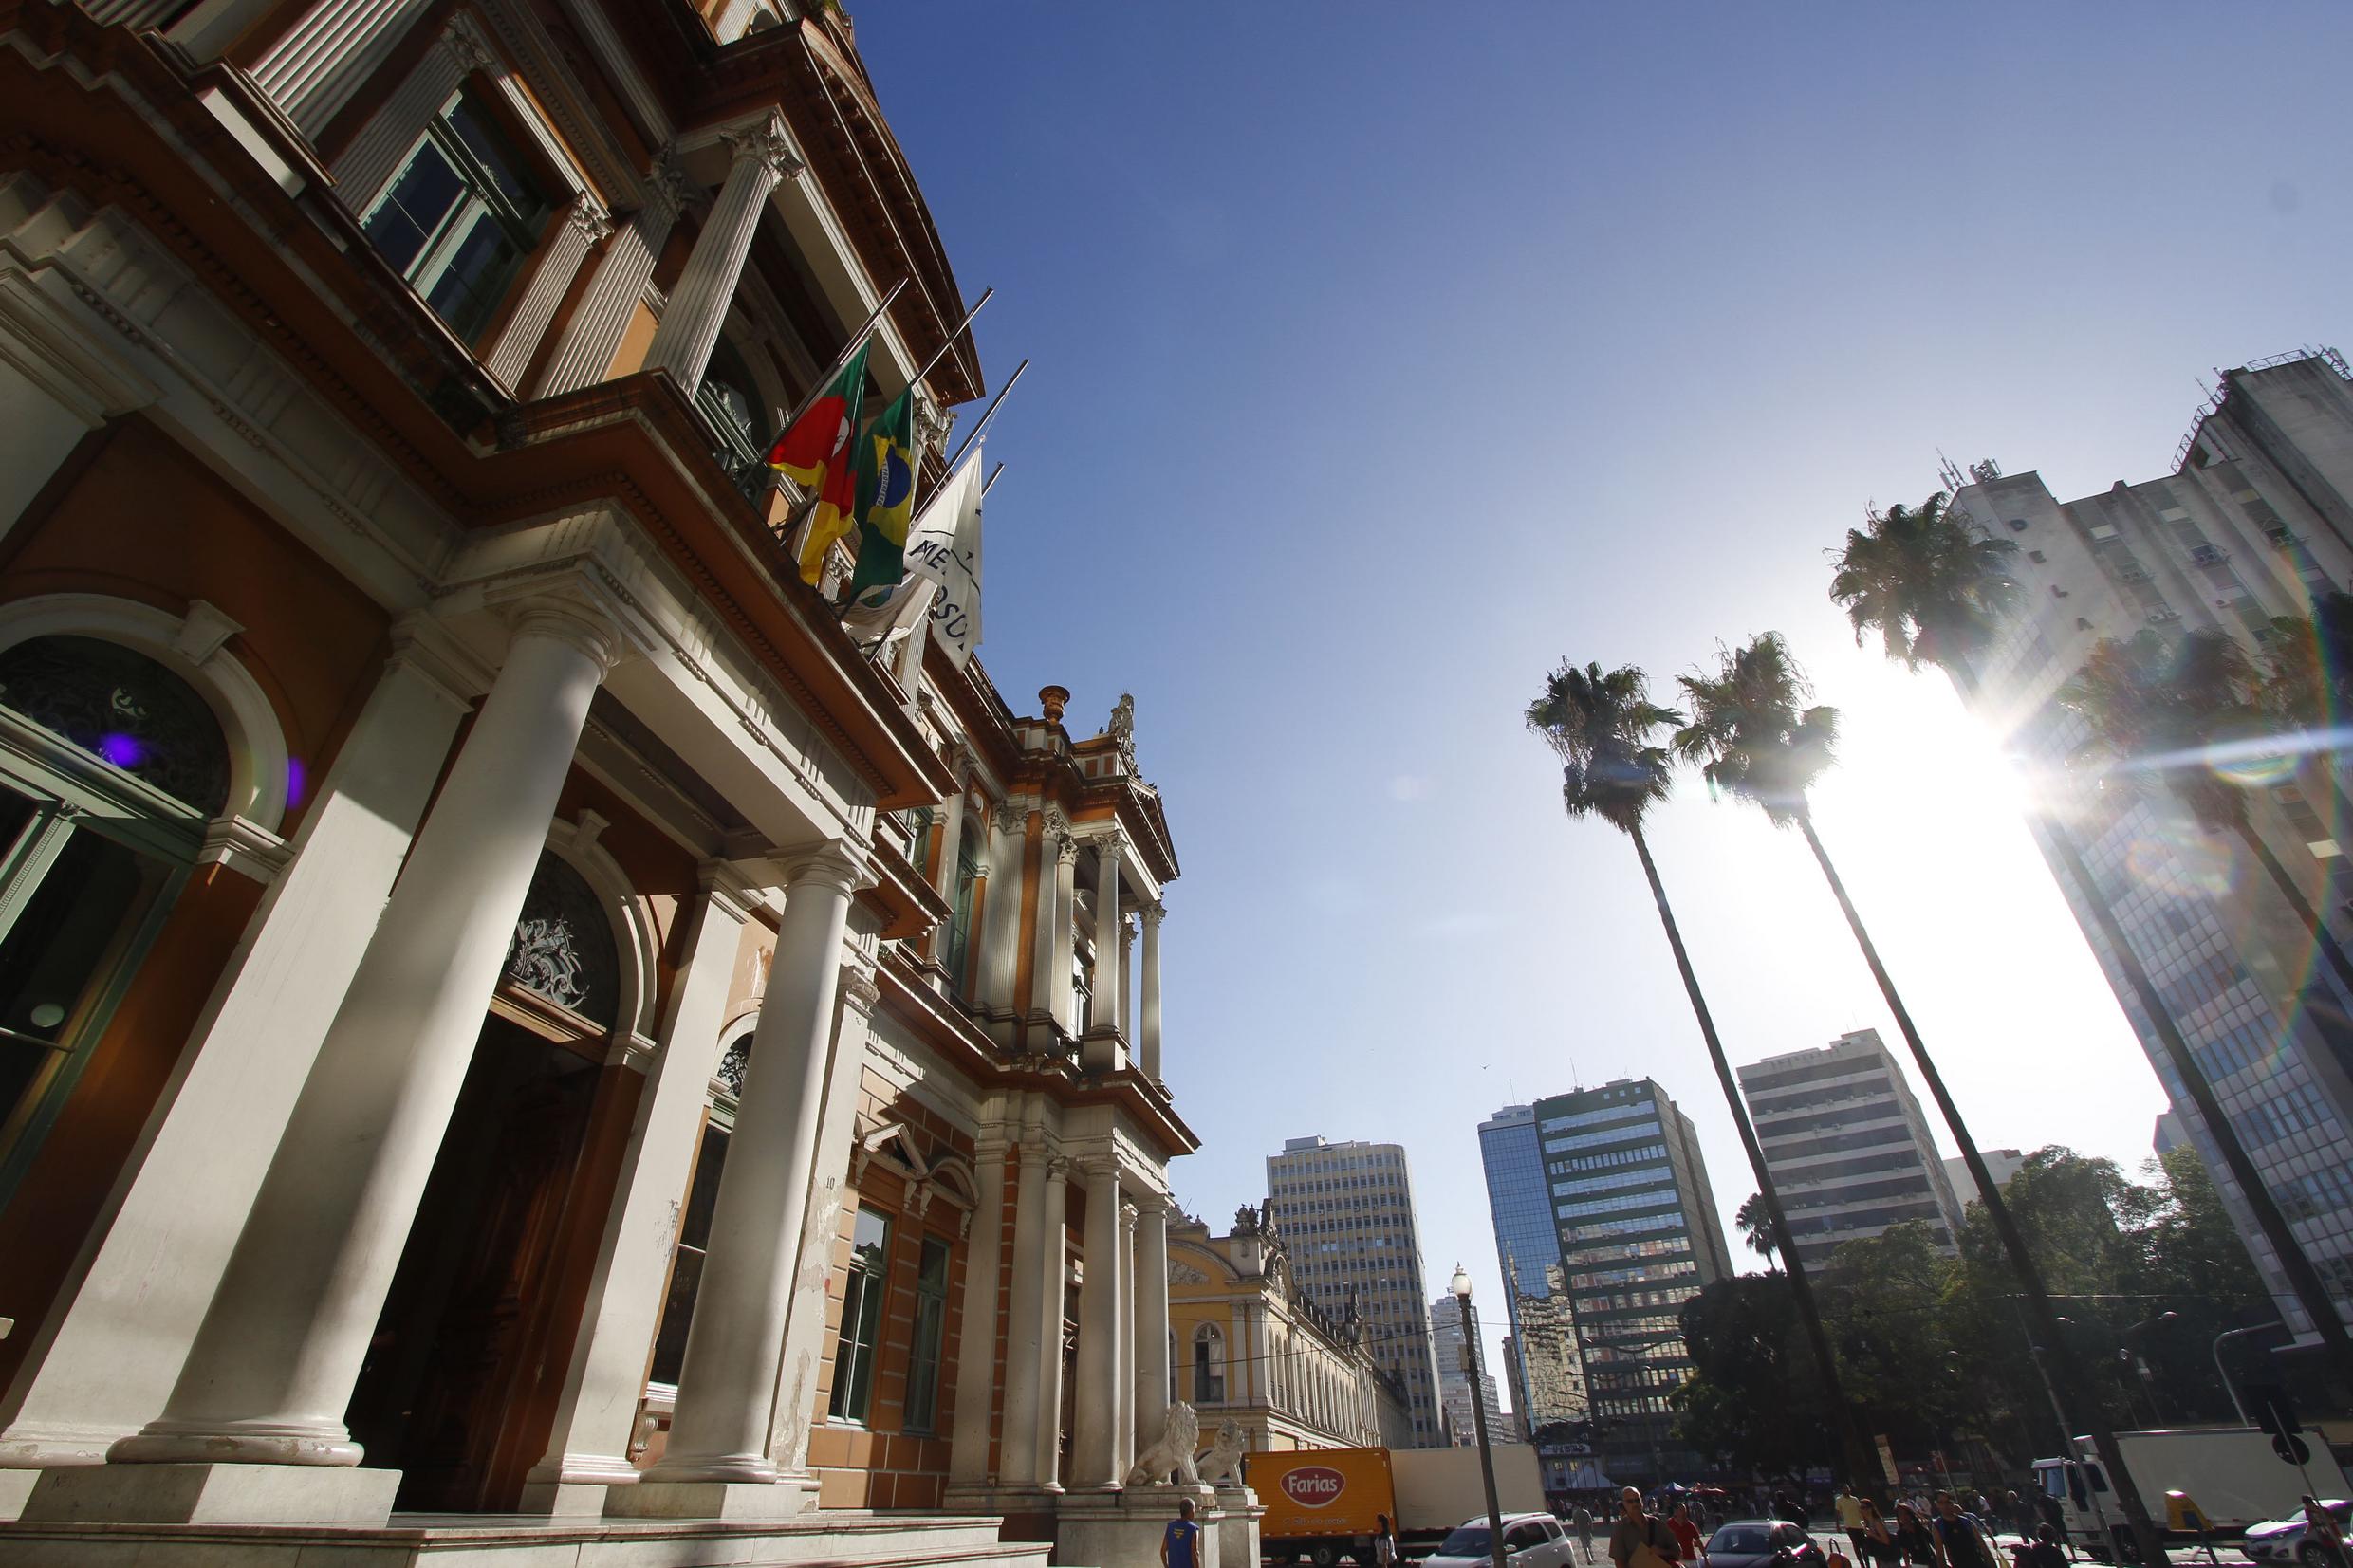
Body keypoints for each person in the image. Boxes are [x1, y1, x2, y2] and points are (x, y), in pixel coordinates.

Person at [1612, 1485, 1684, 1568]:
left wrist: (1662, 1552)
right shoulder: (1620, 1528)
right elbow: (1619, 1562)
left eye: (1637, 1500)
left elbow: (1678, 1551)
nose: (1635, 1504)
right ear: (1624, 1504)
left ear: (1642, 1502)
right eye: (1630, 1501)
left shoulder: (1657, 1524)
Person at [1934, 1491, 1997, 1568]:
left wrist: (1993, 1565)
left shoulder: (1966, 1521)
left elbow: (1984, 1547)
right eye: (1941, 1502)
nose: (1945, 1505)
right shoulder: (1938, 1525)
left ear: (1952, 1503)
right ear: (1936, 1504)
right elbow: (1940, 1555)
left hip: (1978, 1563)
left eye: (1948, 1502)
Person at [2303, 1497, 2350, 1568]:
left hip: (2334, 1535)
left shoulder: (2323, 1510)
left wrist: (2319, 1513)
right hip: (2324, 1536)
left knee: (2341, 1555)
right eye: (2306, 1505)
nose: (2307, 1507)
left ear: (2312, 1503)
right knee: (2331, 1555)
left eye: (2308, 1505)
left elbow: (2332, 1521)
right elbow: (2311, 1522)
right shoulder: (2308, 1512)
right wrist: (2307, 1531)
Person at [1892, 1502, 1939, 1568]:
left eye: (1906, 1514)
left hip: (1931, 1561)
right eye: (1900, 1514)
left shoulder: (1920, 1528)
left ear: (1910, 1515)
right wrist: (1908, 1566)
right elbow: (1905, 1553)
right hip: (1917, 1564)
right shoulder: (1901, 1533)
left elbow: (1935, 1544)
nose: (1904, 1517)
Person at [1161, 1497, 1203, 1568]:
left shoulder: (1171, 1526)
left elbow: (1163, 1551)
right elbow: (1194, 1553)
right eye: (1194, 1509)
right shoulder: (1193, 1529)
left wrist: (1166, 1566)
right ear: (1191, 1511)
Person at [1859, 1498, 1898, 1568]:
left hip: (1888, 1557)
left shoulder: (1876, 1522)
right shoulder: (1868, 1522)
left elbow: (1886, 1541)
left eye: (1863, 1507)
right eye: (1860, 1508)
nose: (1861, 1510)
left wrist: (1871, 1534)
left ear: (1870, 1509)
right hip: (1880, 1556)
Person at [1670, 1501, 1707, 1566]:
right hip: (1678, 1560)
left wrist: (1706, 1559)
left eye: (1685, 1510)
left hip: (1691, 1559)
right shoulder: (1670, 1524)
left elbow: (1699, 1542)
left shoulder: (1690, 1525)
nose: (1684, 1512)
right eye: (1681, 1510)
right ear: (1676, 1511)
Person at [1839, 1485, 1868, 1562]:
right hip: (1850, 1526)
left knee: (1864, 1546)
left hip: (1859, 1525)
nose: (1846, 1490)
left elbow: (1860, 1510)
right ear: (1842, 1490)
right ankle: (1861, 1562)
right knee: (1856, 1546)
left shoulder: (1855, 1499)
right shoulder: (1839, 1500)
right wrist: (1837, 1525)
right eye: (1844, 1489)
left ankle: (1867, 1563)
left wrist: (1865, 1521)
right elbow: (1837, 1512)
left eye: (1847, 1489)